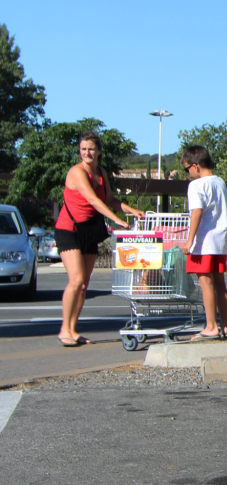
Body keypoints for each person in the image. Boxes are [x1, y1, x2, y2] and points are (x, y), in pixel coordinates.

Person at [56, 132, 144, 347]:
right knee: (76, 280)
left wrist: (132, 211)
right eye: (83, 148)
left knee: (84, 285)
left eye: (91, 149)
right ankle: (64, 330)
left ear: (99, 151)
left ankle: (73, 330)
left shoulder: (101, 172)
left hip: (90, 230)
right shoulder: (77, 172)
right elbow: (93, 200)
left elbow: (109, 199)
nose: (87, 152)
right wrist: (116, 220)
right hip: (69, 229)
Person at [179, 145, 227, 339]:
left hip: (203, 242)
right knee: (220, 284)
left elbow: (197, 212)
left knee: (206, 284)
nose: (188, 174)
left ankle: (211, 326)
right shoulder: (220, 182)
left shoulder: (196, 185)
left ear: (195, 166)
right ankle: (225, 325)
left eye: (187, 169)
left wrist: (189, 240)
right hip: (219, 241)